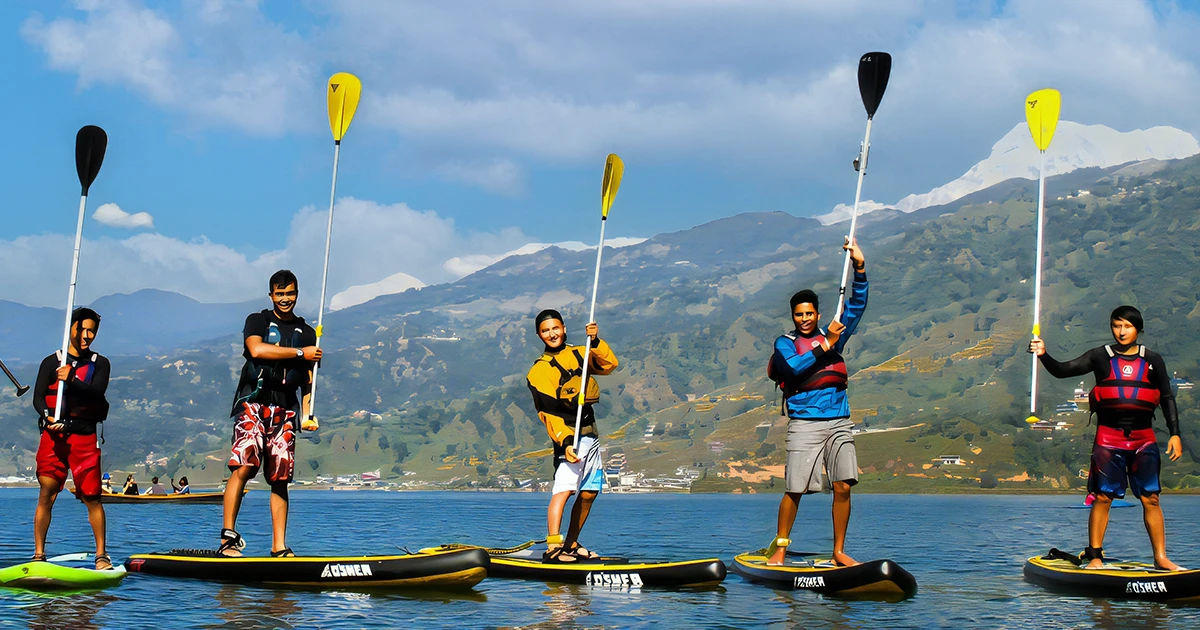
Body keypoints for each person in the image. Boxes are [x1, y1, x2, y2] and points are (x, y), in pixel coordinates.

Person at [1030, 305, 1182, 570]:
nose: (1121, 332)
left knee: (1151, 498)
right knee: (1102, 497)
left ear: (1138, 328)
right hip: (1109, 437)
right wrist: (1043, 354)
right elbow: (1063, 370)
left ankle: (1160, 557)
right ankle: (1096, 555)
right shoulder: (1100, 356)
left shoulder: (1153, 359)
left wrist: (1175, 434)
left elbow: (1167, 397)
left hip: (1143, 438)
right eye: (1116, 325)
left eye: (1127, 326)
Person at [764, 239, 868, 567]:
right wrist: (826, 345)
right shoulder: (786, 342)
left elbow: (857, 305)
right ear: (793, 317)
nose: (805, 319)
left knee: (843, 486)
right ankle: (780, 548)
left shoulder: (834, 332)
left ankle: (838, 552)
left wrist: (860, 267)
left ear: (818, 313)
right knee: (794, 488)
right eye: (799, 314)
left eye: (810, 313)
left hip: (839, 420)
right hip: (805, 422)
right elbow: (792, 368)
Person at [219, 270, 321, 557]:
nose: (285, 299)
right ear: (271, 295)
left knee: (280, 478)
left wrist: (308, 414)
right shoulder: (258, 320)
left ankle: (279, 547)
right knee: (244, 467)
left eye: (290, 293)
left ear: (297, 294)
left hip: (286, 408)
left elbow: (309, 380)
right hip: (254, 402)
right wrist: (301, 354)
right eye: (280, 294)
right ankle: (227, 540)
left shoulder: (308, 333)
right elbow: (256, 349)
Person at [525, 309, 618, 563]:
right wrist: (565, 442)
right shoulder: (539, 371)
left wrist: (596, 341)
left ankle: (571, 544)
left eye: (555, 328)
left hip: (590, 433)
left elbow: (609, 365)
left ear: (564, 328)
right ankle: (553, 547)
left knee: (589, 492)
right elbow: (548, 413)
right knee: (564, 490)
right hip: (568, 437)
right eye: (545, 331)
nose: (552, 334)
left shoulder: (581, 352)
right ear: (539, 335)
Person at [31, 307, 112, 570]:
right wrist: (48, 417)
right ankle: (38, 555)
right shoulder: (50, 362)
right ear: (71, 329)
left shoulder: (100, 363)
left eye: (93, 331)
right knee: (47, 493)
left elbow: (97, 394)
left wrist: (73, 380)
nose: (88, 336)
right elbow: (38, 397)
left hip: (83, 437)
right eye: (83, 330)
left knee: (92, 497)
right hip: (53, 439)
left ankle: (101, 556)